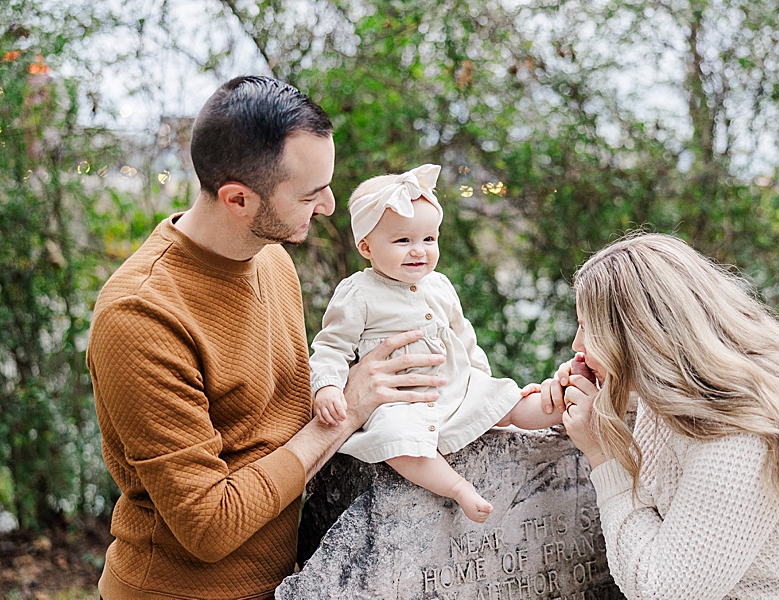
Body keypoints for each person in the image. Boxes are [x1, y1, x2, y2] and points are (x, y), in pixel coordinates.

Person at [86, 76, 446, 600]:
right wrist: (349, 406)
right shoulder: (140, 317)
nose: (327, 205)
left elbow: (286, 425)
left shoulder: (272, 259)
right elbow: (208, 526)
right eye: (309, 193)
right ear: (238, 199)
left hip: (289, 579)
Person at [542, 233, 779, 600]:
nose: (576, 345)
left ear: (636, 338)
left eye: (588, 328)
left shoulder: (738, 435)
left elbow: (660, 591)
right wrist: (584, 391)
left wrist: (603, 456)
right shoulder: (680, 389)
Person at [309, 164, 562, 522]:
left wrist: (480, 378)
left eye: (429, 239)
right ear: (366, 246)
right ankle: (457, 487)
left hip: (453, 382)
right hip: (399, 399)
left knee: (506, 402)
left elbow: (463, 335)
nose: (419, 251)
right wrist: (329, 388)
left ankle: (566, 405)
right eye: (403, 241)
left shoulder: (439, 285)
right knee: (395, 441)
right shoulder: (358, 293)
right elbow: (332, 347)